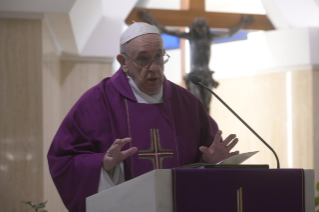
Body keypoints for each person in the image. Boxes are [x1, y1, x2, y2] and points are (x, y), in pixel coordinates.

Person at [47, 22, 239, 212]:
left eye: (159, 57)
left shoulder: (187, 103)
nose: (154, 67)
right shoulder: (97, 101)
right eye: (143, 59)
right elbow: (63, 160)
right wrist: (103, 165)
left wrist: (215, 165)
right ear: (123, 62)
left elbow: (205, 158)